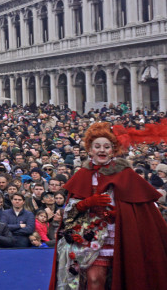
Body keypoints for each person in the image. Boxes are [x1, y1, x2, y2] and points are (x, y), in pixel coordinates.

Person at [50, 121, 167, 290]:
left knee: (126, 276)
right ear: (90, 150)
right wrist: (85, 204)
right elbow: (69, 214)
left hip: (121, 234)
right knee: (95, 279)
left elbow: (141, 211)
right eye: (97, 146)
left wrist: (120, 214)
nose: (102, 150)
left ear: (113, 150)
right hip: (90, 237)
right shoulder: (83, 174)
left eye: (107, 146)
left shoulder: (126, 175)